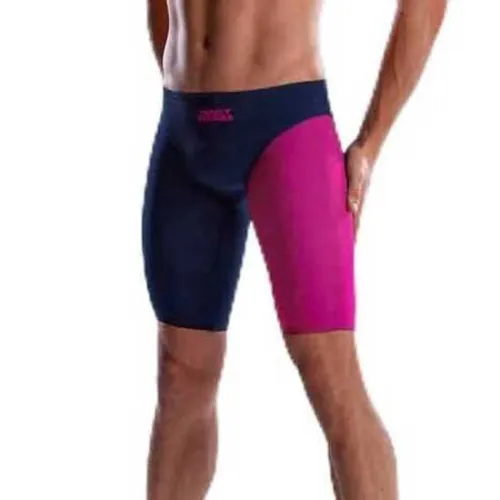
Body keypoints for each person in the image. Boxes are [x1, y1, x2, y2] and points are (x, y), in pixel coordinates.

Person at [142, 0, 447, 498]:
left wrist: (370, 144)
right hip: (184, 133)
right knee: (181, 375)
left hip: (286, 129)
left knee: (330, 376)